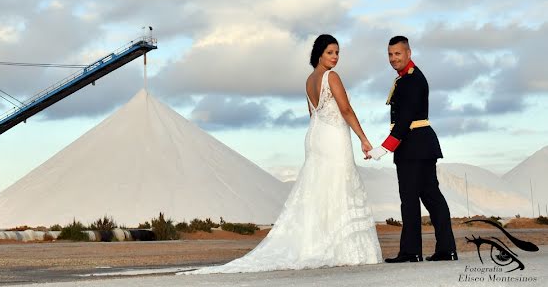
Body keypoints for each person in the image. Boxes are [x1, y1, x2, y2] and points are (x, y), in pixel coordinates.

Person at [185, 34, 382, 274]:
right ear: (319, 53)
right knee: (338, 184)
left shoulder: (309, 80)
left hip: (315, 136)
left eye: (338, 53)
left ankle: (323, 244)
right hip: (333, 136)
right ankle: (341, 247)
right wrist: (363, 138)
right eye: (330, 52)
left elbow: (313, 115)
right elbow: (345, 109)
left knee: (320, 188)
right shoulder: (331, 77)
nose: (335, 57)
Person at [369, 36, 457, 262]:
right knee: (431, 196)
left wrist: (385, 147)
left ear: (408, 53)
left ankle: (411, 251)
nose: (393, 58)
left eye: (397, 53)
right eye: (390, 54)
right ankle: (446, 249)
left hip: (413, 145)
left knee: (410, 199)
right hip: (420, 145)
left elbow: (406, 118)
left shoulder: (411, 79)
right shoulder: (407, 78)